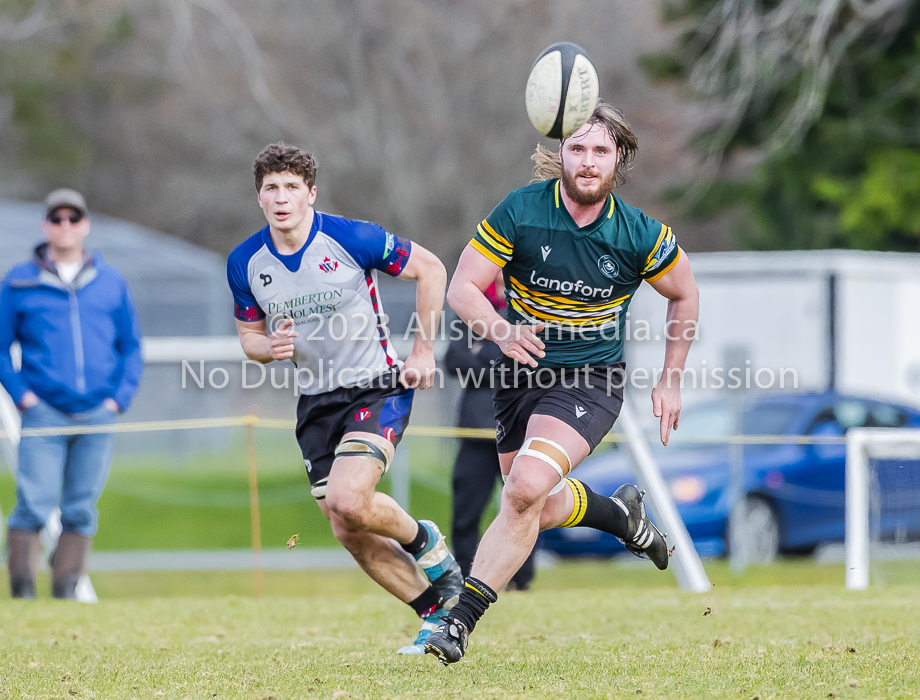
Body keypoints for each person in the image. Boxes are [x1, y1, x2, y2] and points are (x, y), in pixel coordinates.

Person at [425, 101, 700, 664]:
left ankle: (458, 621)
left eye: (601, 150)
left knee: (524, 489)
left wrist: (671, 379)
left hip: (591, 380)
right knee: (529, 504)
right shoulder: (523, 211)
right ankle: (618, 516)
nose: (588, 161)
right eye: (578, 148)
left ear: (619, 159)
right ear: (560, 154)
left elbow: (684, 295)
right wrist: (500, 330)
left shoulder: (638, 233)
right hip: (520, 375)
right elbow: (462, 288)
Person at [227, 143, 462, 654]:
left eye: (292, 187)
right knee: (346, 526)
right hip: (314, 403)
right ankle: (434, 612)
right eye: (271, 188)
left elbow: (433, 269)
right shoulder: (246, 261)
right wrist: (268, 347)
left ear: (311, 193)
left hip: (375, 386)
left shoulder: (349, 237)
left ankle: (427, 544)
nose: (282, 197)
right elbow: (248, 337)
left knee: (348, 498)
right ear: (259, 199)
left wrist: (422, 352)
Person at [0, 188, 143, 600]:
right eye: (57, 218)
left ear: (85, 225)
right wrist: (22, 397)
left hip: (98, 413)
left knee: (81, 508)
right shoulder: (19, 281)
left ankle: (65, 591)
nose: (65, 226)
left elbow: (131, 345)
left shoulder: (111, 281)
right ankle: (22, 594)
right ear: (46, 225)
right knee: (33, 503)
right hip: (42, 413)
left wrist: (119, 398)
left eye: (73, 218)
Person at [445, 277, 535, 591]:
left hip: (518, 430)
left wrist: (482, 353)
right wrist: (501, 362)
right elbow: (453, 360)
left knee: (524, 507)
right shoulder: (473, 315)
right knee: (465, 514)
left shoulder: (528, 310)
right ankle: (463, 578)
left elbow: (532, 364)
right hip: (476, 432)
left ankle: (520, 581)